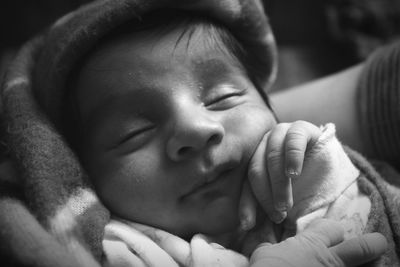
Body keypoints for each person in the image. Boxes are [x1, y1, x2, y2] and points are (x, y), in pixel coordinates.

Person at [0, 0, 395, 266]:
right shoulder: (123, 248)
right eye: (134, 132)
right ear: (82, 175)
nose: (196, 129)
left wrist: (316, 156)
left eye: (223, 98)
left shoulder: (304, 160)